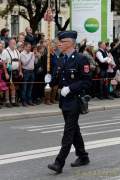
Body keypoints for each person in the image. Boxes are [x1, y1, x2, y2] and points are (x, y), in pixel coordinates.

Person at [48, 31, 91, 174]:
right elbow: (56, 79)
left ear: (71, 43)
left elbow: (86, 81)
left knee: (68, 131)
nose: (59, 44)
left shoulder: (81, 59)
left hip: (75, 100)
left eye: (63, 42)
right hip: (64, 101)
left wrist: (70, 88)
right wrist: (49, 81)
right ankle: (83, 156)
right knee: (74, 130)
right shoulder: (61, 59)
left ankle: (59, 163)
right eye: (59, 42)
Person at [1, 38, 22, 107]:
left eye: (15, 43)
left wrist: (20, 71)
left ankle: (13, 101)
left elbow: (19, 62)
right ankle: (7, 101)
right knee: (7, 87)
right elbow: (4, 63)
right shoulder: (5, 51)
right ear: (9, 43)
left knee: (14, 86)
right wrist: (6, 73)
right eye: (13, 43)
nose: (14, 45)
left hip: (15, 71)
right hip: (8, 71)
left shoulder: (17, 51)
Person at [20, 42, 35, 106]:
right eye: (28, 47)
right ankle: (24, 101)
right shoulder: (22, 54)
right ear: (25, 47)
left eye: (30, 47)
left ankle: (29, 100)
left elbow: (35, 62)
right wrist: (30, 56)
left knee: (30, 87)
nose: (30, 48)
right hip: (26, 71)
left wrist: (36, 56)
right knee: (24, 87)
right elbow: (25, 63)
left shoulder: (32, 53)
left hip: (32, 71)